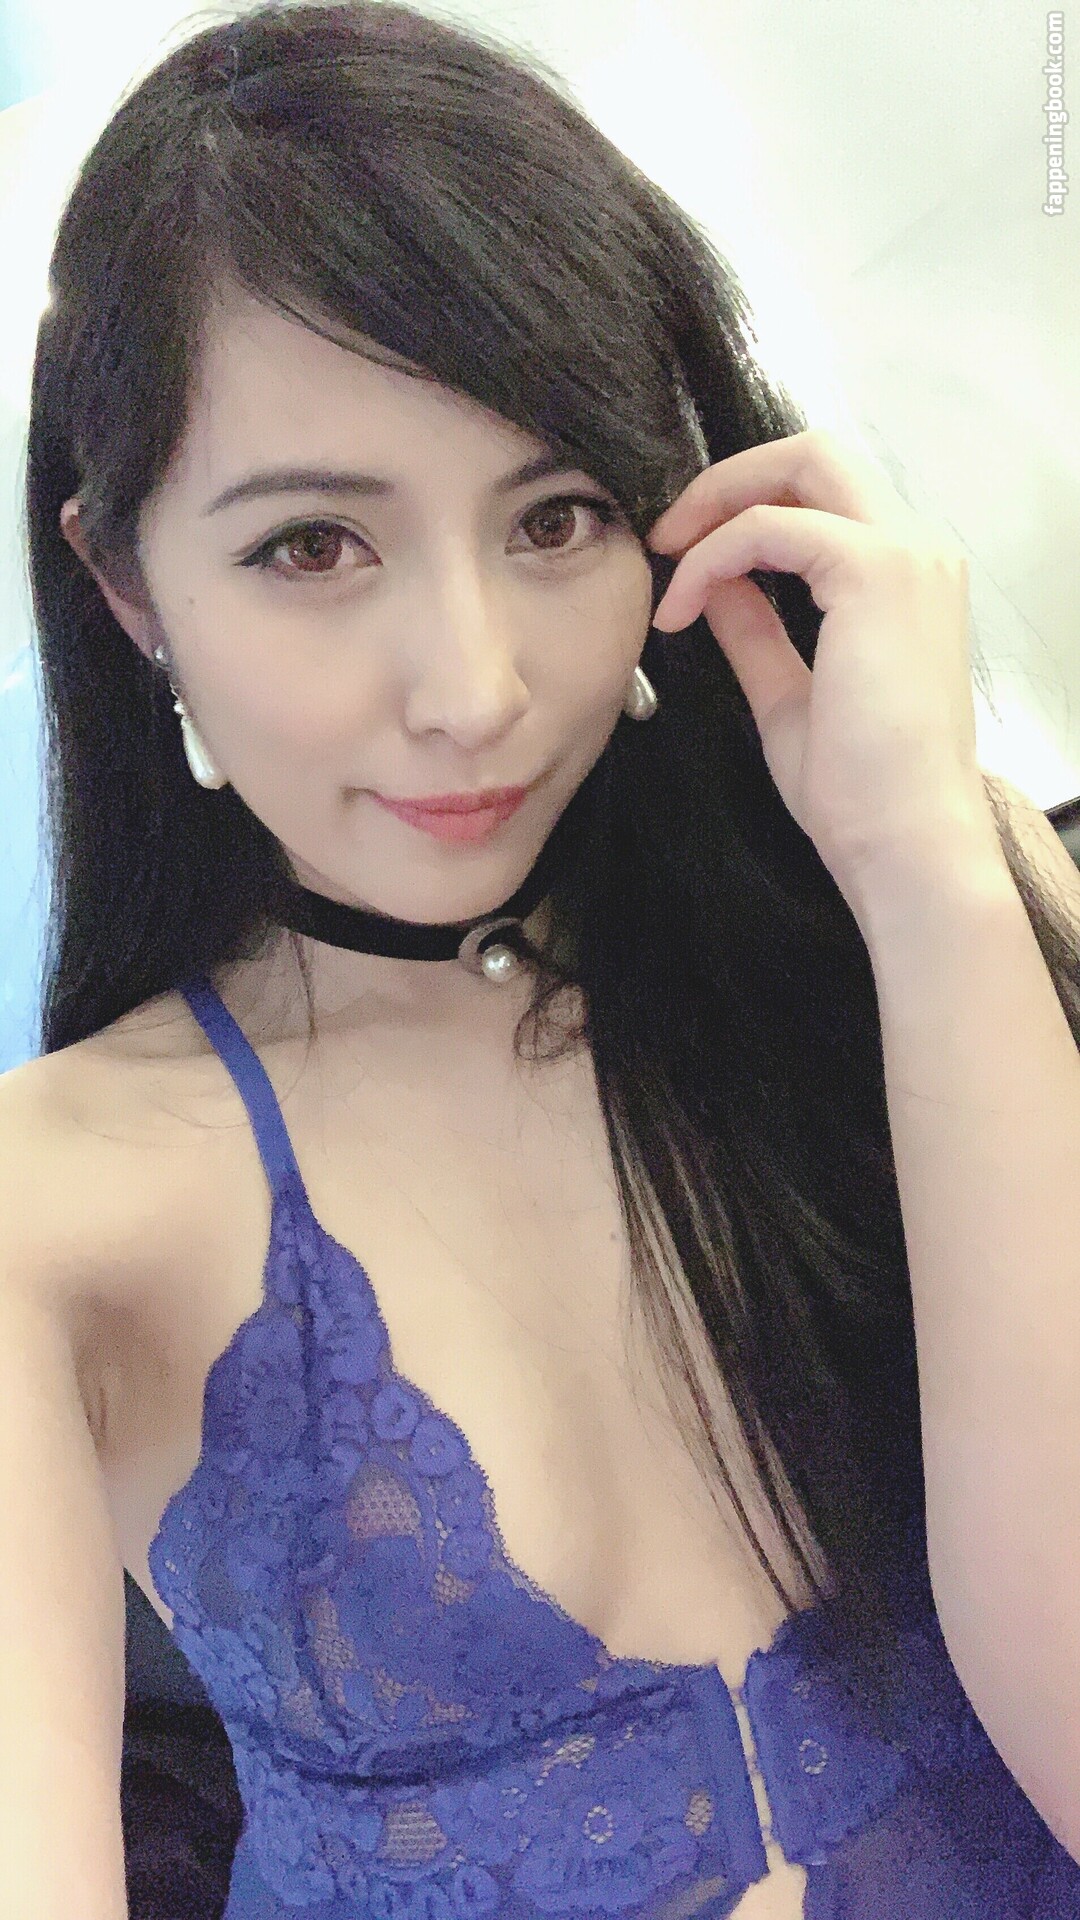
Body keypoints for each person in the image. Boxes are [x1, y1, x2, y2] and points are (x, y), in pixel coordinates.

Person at [8, 3, 1080, 1916]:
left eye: (557, 517)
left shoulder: (918, 943)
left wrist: (925, 871)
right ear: (126, 586)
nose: (477, 690)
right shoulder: (52, 1210)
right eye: (314, 547)